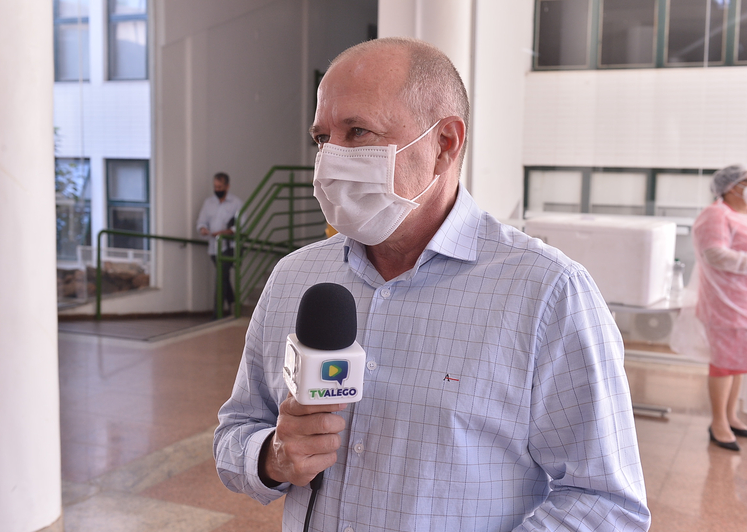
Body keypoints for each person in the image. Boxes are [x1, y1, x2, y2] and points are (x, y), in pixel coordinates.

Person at [214, 37, 650, 531]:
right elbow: (235, 431)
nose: (330, 160)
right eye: (321, 138)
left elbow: (606, 505)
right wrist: (272, 456)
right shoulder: (294, 277)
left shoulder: (548, 293)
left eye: (357, 132)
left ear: (444, 143)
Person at [691, 164, 747, 451]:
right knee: (724, 363)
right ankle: (718, 423)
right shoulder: (715, 214)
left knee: (739, 363)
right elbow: (714, 254)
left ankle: (732, 417)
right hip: (725, 301)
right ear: (730, 187)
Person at [196, 172, 243, 316]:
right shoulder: (208, 203)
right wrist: (203, 229)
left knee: (221, 279)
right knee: (224, 278)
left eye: (220, 187)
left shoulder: (236, 203)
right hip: (213, 248)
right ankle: (234, 306)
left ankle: (217, 314)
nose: (217, 189)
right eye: (215, 187)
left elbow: (241, 226)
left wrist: (224, 232)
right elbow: (201, 221)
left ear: (227, 186)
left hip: (228, 247)